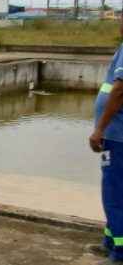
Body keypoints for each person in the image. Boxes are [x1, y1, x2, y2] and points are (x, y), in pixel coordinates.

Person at [90, 14, 123, 265]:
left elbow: (120, 89)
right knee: (113, 192)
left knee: (114, 194)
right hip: (116, 134)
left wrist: (99, 129)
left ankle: (119, 253)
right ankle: (110, 241)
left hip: (117, 135)